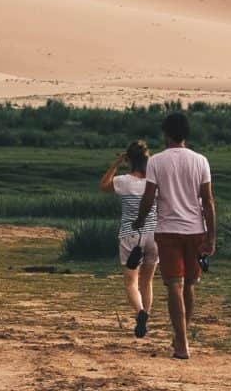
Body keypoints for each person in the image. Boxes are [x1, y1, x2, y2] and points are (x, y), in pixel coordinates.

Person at [130, 112, 214, 360]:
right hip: (195, 231)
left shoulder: (156, 161)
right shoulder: (201, 161)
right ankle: (181, 338)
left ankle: (182, 345)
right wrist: (212, 237)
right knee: (189, 286)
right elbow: (208, 201)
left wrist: (139, 220)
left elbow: (149, 197)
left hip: (168, 232)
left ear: (166, 134)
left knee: (174, 286)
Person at [99, 139, 159, 338]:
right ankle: (146, 317)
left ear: (129, 160)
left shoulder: (124, 181)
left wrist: (115, 164)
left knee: (131, 282)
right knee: (147, 281)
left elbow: (104, 186)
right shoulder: (154, 182)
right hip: (154, 235)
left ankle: (140, 312)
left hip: (131, 235)